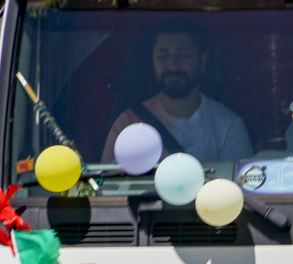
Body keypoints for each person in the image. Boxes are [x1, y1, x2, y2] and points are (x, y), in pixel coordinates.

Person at [102, 20, 252, 164]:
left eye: (183, 56)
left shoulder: (228, 126)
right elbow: (106, 185)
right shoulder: (128, 123)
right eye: (164, 56)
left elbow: (237, 187)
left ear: (203, 61)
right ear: (153, 60)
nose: (173, 66)